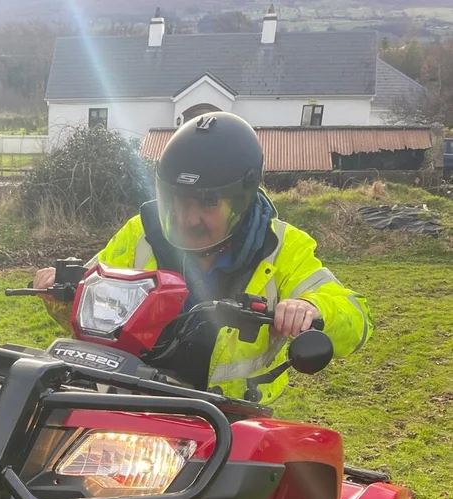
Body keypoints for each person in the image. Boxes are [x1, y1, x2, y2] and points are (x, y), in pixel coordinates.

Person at [33, 113, 371, 402]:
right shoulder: (140, 234)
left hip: (228, 419)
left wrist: (313, 309)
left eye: (208, 203)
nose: (187, 219)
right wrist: (60, 294)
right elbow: (90, 314)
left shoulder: (282, 247)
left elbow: (355, 319)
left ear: (243, 200)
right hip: (132, 403)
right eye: (179, 200)